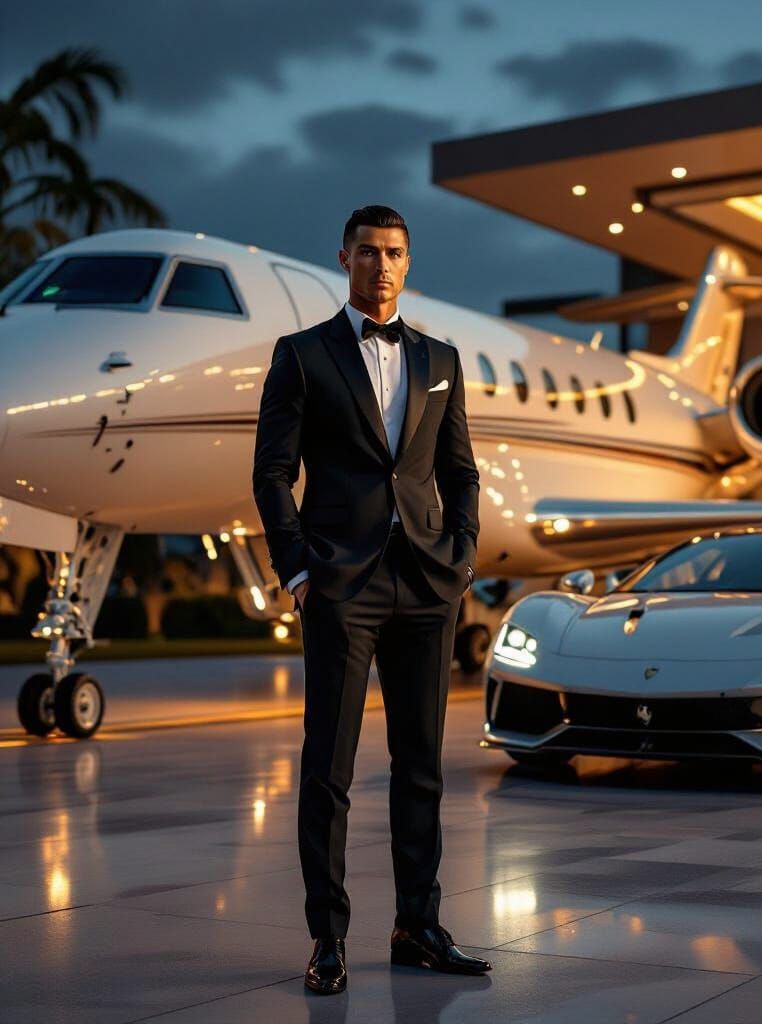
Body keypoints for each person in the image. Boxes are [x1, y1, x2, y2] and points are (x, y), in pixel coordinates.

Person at [252, 205, 490, 995]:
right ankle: (329, 938)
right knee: (329, 770)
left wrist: (458, 555)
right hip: (341, 584)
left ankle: (418, 926)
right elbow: (272, 474)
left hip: (426, 583)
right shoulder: (301, 355)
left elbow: (460, 471)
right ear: (343, 257)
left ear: (408, 263)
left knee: (421, 767)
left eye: (393, 254)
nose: (380, 266)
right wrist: (297, 571)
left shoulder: (441, 358)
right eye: (366, 253)